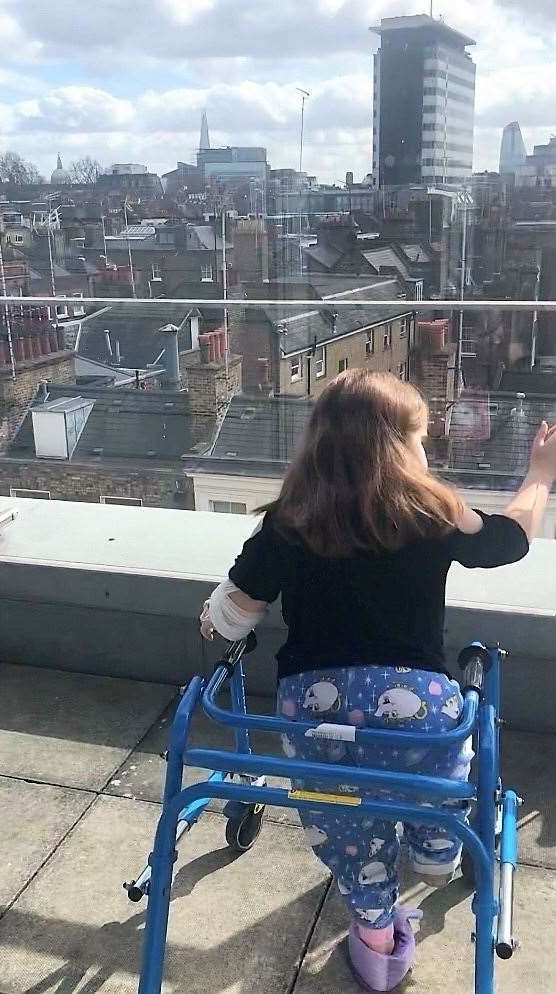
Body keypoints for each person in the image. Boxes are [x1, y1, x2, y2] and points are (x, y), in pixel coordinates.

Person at [200, 370, 556, 992]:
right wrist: (542, 474)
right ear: (399, 446)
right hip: (419, 705)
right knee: (437, 774)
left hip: (314, 714)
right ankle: (437, 850)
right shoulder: (431, 513)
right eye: (419, 438)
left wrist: (213, 621)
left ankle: (374, 931)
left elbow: (233, 615)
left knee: (347, 824)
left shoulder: (288, 521)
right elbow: (510, 538)